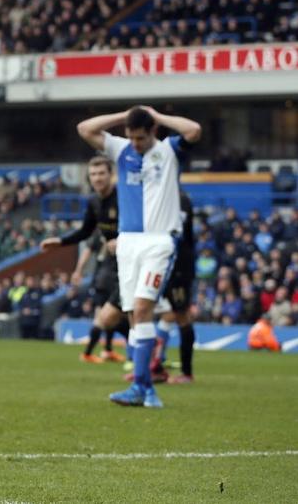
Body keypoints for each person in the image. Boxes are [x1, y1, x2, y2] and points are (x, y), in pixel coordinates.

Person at [78, 105, 201, 408]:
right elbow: (85, 129)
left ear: (153, 132)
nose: (135, 143)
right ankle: (145, 389)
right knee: (134, 315)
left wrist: (155, 115)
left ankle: (141, 386)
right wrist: (125, 116)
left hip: (159, 242)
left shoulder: (169, 151)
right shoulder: (121, 149)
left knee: (144, 307)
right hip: (128, 243)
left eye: (141, 137)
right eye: (131, 137)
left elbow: (193, 130)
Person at [40, 156, 128, 363]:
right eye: (93, 174)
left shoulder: (124, 198)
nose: (97, 178)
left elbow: (142, 225)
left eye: (101, 173)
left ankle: (145, 358)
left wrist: (123, 241)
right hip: (113, 265)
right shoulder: (94, 202)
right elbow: (85, 232)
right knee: (120, 316)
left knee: (121, 315)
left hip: (132, 262)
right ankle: (144, 359)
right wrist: (60, 242)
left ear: (111, 174)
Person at [159, 191, 197, 384]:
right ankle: (154, 367)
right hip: (160, 263)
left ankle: (187, 372)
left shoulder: (180, 199)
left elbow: (177, 233)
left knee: (181, 315)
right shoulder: (155, 195)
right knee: (148, 311)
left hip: (178, 266)